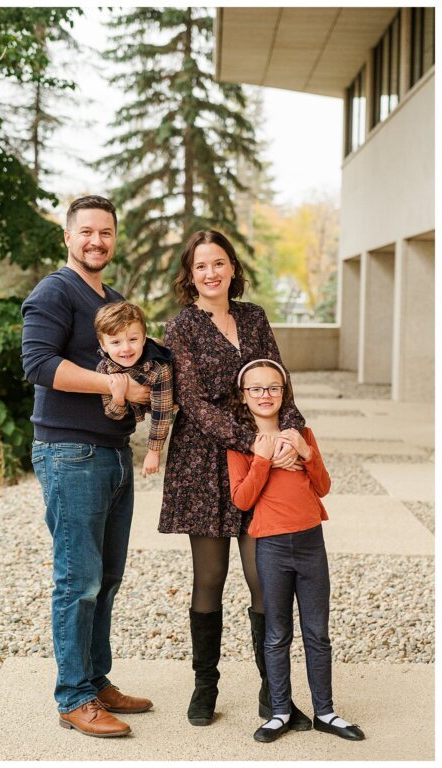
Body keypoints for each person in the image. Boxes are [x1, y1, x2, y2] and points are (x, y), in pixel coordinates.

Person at [157, 230, 312, 730]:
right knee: (210, 577)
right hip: (203, 461)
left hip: (259, 461)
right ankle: (206, 685)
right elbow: (195, 403)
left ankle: (275, 688)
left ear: (231, 268)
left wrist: (292, 432)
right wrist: (252, 442)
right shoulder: (179, 327)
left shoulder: (253, 317)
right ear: (190, 274)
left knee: (262, 577)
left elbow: (278, 379)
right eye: (201, 265)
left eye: (218, 263)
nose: (211, 273)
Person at [21, 196, 153, 738]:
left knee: (108, 578)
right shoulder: (54, 291)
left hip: (114, 455)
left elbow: (142, 359)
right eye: (87, 232)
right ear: (68, 238)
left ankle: (97, 681)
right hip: (70, 452)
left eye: (106, 233)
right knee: (78, 580)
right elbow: (38, 364)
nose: (97, 241)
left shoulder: (114, 301)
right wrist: (113, 384)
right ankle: (73, 697)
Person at [227, 359, 365, 743]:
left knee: (317, 633)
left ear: (283, 392)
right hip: (270, 546)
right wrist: (263, 459)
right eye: (256, 389)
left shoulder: (303, 433)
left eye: (273, 387)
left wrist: (305, 451)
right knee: (276, 634)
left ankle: (325, 711)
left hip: (310, 545)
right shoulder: (242, 445)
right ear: (244, 396)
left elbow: (322, 486)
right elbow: (241, 499)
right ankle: (280, 710)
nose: (265, 395)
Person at [93, 301, 174, 477]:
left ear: (144, 339)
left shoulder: (159, 367)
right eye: (115, 342)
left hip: (164, 401)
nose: (126, 348)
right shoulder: (103, 369)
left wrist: (153, 452)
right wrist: (118, 397)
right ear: (103, 345)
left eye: (133, 339)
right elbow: (113, 414)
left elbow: (162, 412)